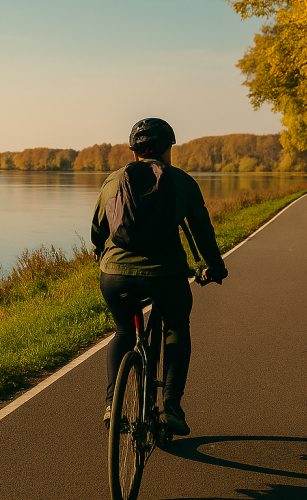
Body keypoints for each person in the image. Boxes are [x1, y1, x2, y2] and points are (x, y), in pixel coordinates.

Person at [91, 117, 227, 436]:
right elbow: (202, 233)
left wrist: (101, 253)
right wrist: (215, 267)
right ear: (168, 150)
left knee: (124, 332)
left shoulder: (113, 180)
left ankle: (112, 404)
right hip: (166, 277)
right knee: (177, 326)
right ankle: (170, 407)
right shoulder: (181, 181)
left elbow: (98, 229)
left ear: (135, 152)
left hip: (115, 276)